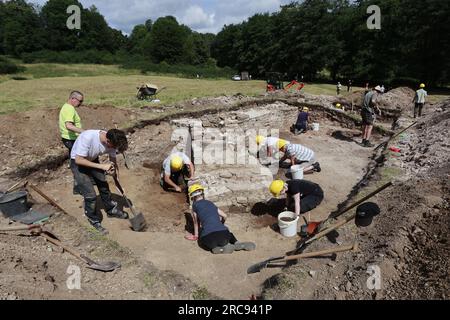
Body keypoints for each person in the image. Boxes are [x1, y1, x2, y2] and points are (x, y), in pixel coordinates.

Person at [70, 129, 129, 235]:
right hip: (78, 163)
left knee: (103, 185)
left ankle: (111, 210)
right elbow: (78, 160)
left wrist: (116, 178)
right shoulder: (87, 138)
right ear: (107, 141)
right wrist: (101, 166)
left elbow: (113, 161)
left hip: (92, 160)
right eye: (112, 147)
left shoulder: (113, 141)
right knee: (90, 195)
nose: (113, 149)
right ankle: (93, 220)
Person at [185, 184, 256, 254]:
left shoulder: (195, 206)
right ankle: (236, 243)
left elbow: (195, 222)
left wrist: (196, 236)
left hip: (209, 238)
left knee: (202, 241)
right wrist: (221, 223)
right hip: (224, 235)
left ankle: (218, 249)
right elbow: (225, 216)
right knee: (230, 234)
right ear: (202, 194)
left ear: (192, 197)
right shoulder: (210, 203)